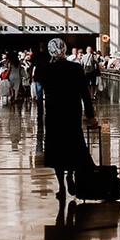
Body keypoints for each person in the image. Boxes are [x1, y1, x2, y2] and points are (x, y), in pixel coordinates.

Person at [36, 39, 98, 200]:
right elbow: (85, 94)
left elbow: (42, 91)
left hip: (54, 113)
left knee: (56, 147)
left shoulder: (46, 69)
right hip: (71, 111)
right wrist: (91, 116)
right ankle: (71, 176)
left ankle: (61, 186)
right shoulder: (75, 68)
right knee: (73, 145)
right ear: (65, 50)